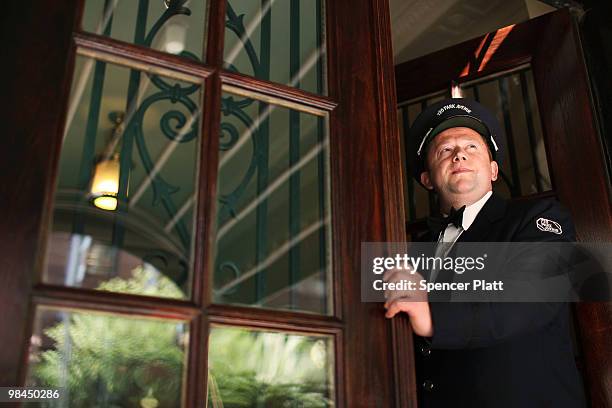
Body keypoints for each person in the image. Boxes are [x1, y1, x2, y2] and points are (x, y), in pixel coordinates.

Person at [384, 98, 586, 407]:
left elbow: (532, 296)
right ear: (427, 178)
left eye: (471, 147)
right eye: (445, 150)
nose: (459, 154)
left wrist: (432, 316)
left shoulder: (539, 218)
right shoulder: (413, 251)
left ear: (493, 170)